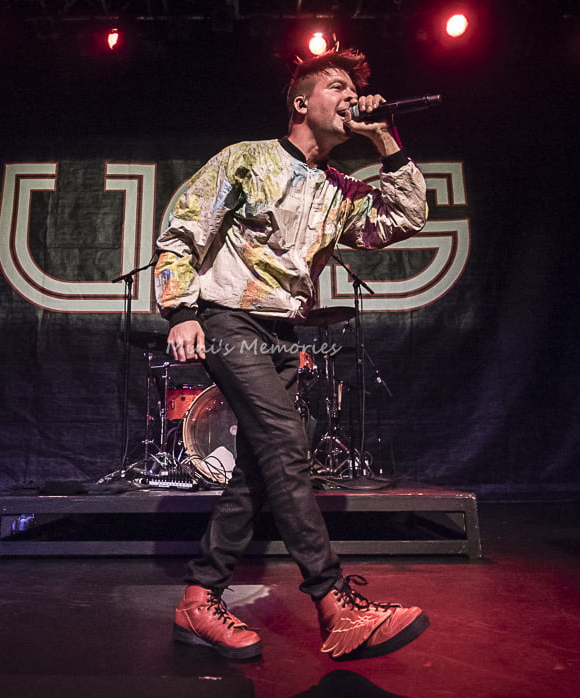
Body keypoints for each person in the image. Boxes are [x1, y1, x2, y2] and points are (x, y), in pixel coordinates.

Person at [153, 48, 430, 661]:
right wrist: (180, 310)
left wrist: (385, 139)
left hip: (284, 331)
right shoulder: (246, 159)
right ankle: (334, 602)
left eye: (355, 89)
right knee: (285, 443)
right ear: (302, 103)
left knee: (258, 470)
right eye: (337, 87)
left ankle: (198, 599)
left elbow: (407, 216)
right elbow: (183, 229)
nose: (351, 97)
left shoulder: (342, 190)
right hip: (228, 316)